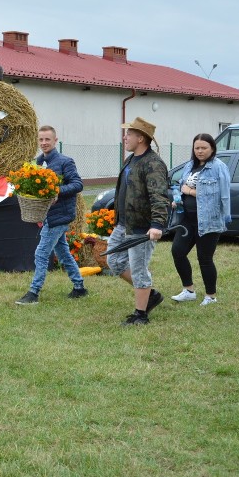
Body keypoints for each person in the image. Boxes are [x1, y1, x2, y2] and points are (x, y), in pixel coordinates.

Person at [105, 117, 169, 325]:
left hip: (142, 227)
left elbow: (159, 196)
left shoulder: (153, 163)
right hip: (124, 223)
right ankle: (149, 294)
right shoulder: (131, 160)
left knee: (139, 269)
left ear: (140, 138)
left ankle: (140, 315)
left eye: (129, 134)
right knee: (114, 261)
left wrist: (157, 225)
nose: (125, 137)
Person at [16, 126, 87, 305]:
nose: (44, 143)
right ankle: (79, 287)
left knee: (41, 253)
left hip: (60, 216)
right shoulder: (38, 163)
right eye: (41, 140)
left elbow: (78, 184)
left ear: (55, 141)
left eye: (47, 139)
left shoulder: (65, 161)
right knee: (63, 252)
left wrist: (57, 190)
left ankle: (33, 292)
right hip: (48, 215)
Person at [170, 133, 232, 306]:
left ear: (212, 148)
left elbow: (222, 195)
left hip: (209, 220)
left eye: (204, 148)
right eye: (197, 148)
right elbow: (182, 186)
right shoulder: (190, 165)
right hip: (187, 218)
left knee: (204, 259)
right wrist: (179, 197)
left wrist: (189, 191)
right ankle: (189, 290)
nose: (200, 151)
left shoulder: (219, 167)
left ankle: (210, 296)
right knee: (177, 252)